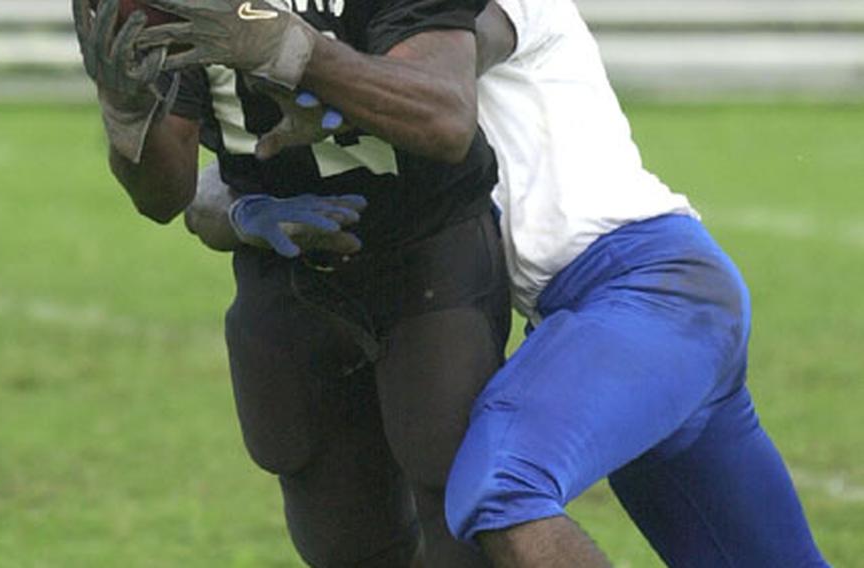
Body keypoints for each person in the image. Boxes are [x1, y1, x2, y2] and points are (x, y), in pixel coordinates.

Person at [188, 0, 830, 565]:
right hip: (623, 320)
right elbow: (224, 176)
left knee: (502, 490)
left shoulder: (478, 19)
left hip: (647, 291)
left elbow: (439, 91)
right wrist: (246, 195)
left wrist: (309, 69)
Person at [72, 0, 510, 565]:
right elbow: (163, 196)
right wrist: (127, 111)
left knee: (463, 516)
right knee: (345, 544)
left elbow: (445, 118)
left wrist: (291, 50)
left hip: (428, 260)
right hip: (287, 272)